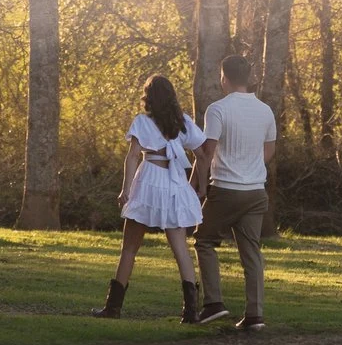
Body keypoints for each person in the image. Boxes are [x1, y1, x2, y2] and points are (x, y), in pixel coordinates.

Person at [92, 73, 210, 323]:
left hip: (148, 183)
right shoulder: (184, 122)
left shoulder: (142, 122)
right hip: (175, 184)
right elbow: (203, 154)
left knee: (129, 249)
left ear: (149, 98)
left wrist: (125, 191)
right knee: (181, 249)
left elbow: (133, 157)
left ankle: (113, 308)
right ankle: (190, 312)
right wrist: (199, 187)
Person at [192, 53, 276, 329]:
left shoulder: (218, 110)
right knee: (251, 252)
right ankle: (255, 315)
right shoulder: (265, 110)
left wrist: (198, 187)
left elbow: (207, 152)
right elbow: (269, 151)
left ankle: (213, 303)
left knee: (204, 240)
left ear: (223, 77)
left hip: (226, 189)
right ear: (248, 78)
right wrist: (249, 166)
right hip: (255, 191)